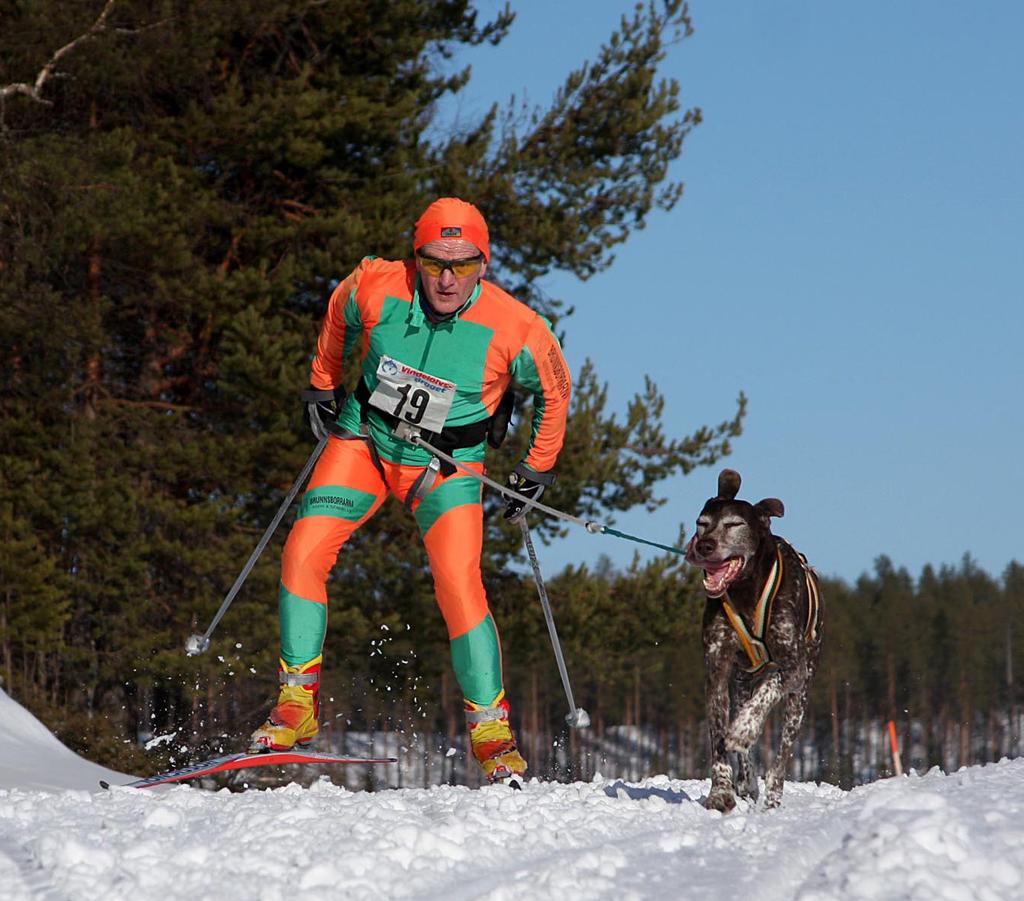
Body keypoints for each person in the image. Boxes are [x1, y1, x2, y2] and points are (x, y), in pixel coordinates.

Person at [249, 197, 572, 782]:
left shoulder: (517, 327)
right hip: (365, 443)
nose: (449, 279)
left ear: (484, 263)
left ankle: (492, 734)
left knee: (457, 583)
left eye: (465, 265)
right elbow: (339, 309)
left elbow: (557, 389)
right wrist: (322, 382)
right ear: (415, 257)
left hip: (445, 467)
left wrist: (536, 469)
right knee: (303, 550)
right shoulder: (377, 285)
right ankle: (296, 706)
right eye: (435, 262)